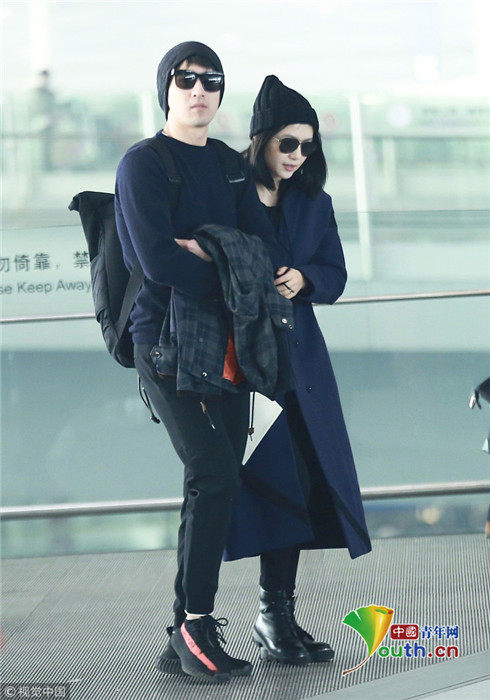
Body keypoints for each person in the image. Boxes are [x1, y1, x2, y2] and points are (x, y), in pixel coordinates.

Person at [114, 44, 287, 684]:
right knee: (213, 474)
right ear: (166, 87)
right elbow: (158, 261)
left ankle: (184, 633)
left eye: (211, 81)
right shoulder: (144, 164)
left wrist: (210, 252)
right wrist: (227, 262)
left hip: (228, 342)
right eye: (186, 79)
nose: (199, 91)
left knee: (215, 479)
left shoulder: (229, 166)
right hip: (162, 343)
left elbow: (261, 249)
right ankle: (195, 622)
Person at [223, 75, 372, 665]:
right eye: (288, 143)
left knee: (302, 486)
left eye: (307, 146)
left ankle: (275, 615)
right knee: (258, 489)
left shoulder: (314, 202)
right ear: (260, 138)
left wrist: (304, 278)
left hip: (300, 366)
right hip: (243, 365)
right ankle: (202, 620)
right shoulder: (227, 190)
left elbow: (334, 275)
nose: (297, 156)